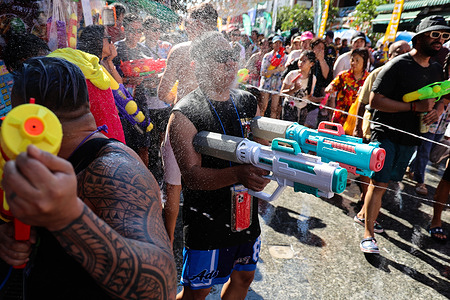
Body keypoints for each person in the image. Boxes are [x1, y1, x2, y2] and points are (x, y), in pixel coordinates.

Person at [0, 56, 176, 299]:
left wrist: (68, 217)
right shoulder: (52, 159)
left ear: (31, 118)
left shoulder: (113, 168)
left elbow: (160, 287)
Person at [168, 31, 270, 300]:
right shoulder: (183, 113)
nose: (230, 64)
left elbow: (263, 150)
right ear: (197, 64)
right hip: (207, 218)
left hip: (245, 212)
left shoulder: (247, 101)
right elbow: (191, 177)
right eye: (220, 58)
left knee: (244, 277)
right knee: (197, 291)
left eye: (232, 56)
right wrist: (238, 173)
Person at [355, 15, 449, 253]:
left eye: (445, 36)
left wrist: (437, 110)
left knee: (389, 182)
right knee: (379, 183)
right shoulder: (398, 65)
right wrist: (412, 107)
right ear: (419, 39)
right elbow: (374, 101)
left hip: (411, 137)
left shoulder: (437, 69)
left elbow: (443, 95)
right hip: (385, 132)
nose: (440, 40)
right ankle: (368, 234)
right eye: (435, 34)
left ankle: (366, 215)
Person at [157, 3, 219, 244]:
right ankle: (207, 238)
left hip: (182, 123)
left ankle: (169, 239)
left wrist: (179, 99)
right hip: (216, 125)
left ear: (198, 24)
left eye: (189, 22)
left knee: (173, 186)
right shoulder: (224, 50)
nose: (186, 26)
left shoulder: (181, 50)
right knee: (212, 181)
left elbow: (162, 92)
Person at [352, 40, 411, 205]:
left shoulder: (411, 78)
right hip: (373, 130)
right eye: (399, 51)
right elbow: (362, 103)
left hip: (397, 134)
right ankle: (366, 201)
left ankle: (370, 201)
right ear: (390, 55)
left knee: (383, 173)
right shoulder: (377, 74)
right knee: (370, 168)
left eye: (408, 51)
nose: (404, 54)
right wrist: (358, 128)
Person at [114, 13, 152, 166]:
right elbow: (109, 78)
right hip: (121, 104)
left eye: (139, 31)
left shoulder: (145, 50)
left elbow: (150, 77)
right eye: (132, 30)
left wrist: (152, 81)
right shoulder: (116, 49)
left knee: (144, 145)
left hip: (141, 101)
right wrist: (128, 80)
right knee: (124, 145)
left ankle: (145, 180)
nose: (136, 34)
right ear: (124, 29)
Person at [409, 52, 450, 196]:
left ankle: (412, 167)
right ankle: (420, 181)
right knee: (425, 150)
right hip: (430, 120)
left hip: (443, 124)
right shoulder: (439, 79)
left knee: (429, 149)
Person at [325, 48, 369, 127]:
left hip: (357, 119)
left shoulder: (368, 79)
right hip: (340, 118)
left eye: (357, 61)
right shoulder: (344, 75)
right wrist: (330, 88)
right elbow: (333, 85)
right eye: (352, 60)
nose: (353, 63)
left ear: (364, 62)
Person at [280, 50, 317, 127]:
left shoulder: (313, 78)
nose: (300, 62)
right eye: (300, 60)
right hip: (290, 107)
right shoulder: (292, 74)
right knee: (288, 130)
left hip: (302, 109)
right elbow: (282, 93)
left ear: (311, 64)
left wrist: (320, 99)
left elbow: (308, 97)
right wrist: (294, 89)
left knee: (298, 132)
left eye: (304, 61)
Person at [259, 35, 287, 118]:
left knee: (274, 108)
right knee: (263, 107)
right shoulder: (267, 56)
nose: (278, 45)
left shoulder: (285, 57)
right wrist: (276, 70)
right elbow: (263, 72)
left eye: (280, 43)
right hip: (266, 84)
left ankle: (272, 125)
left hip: (277, 85)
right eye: (276, 43)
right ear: (272, 44)